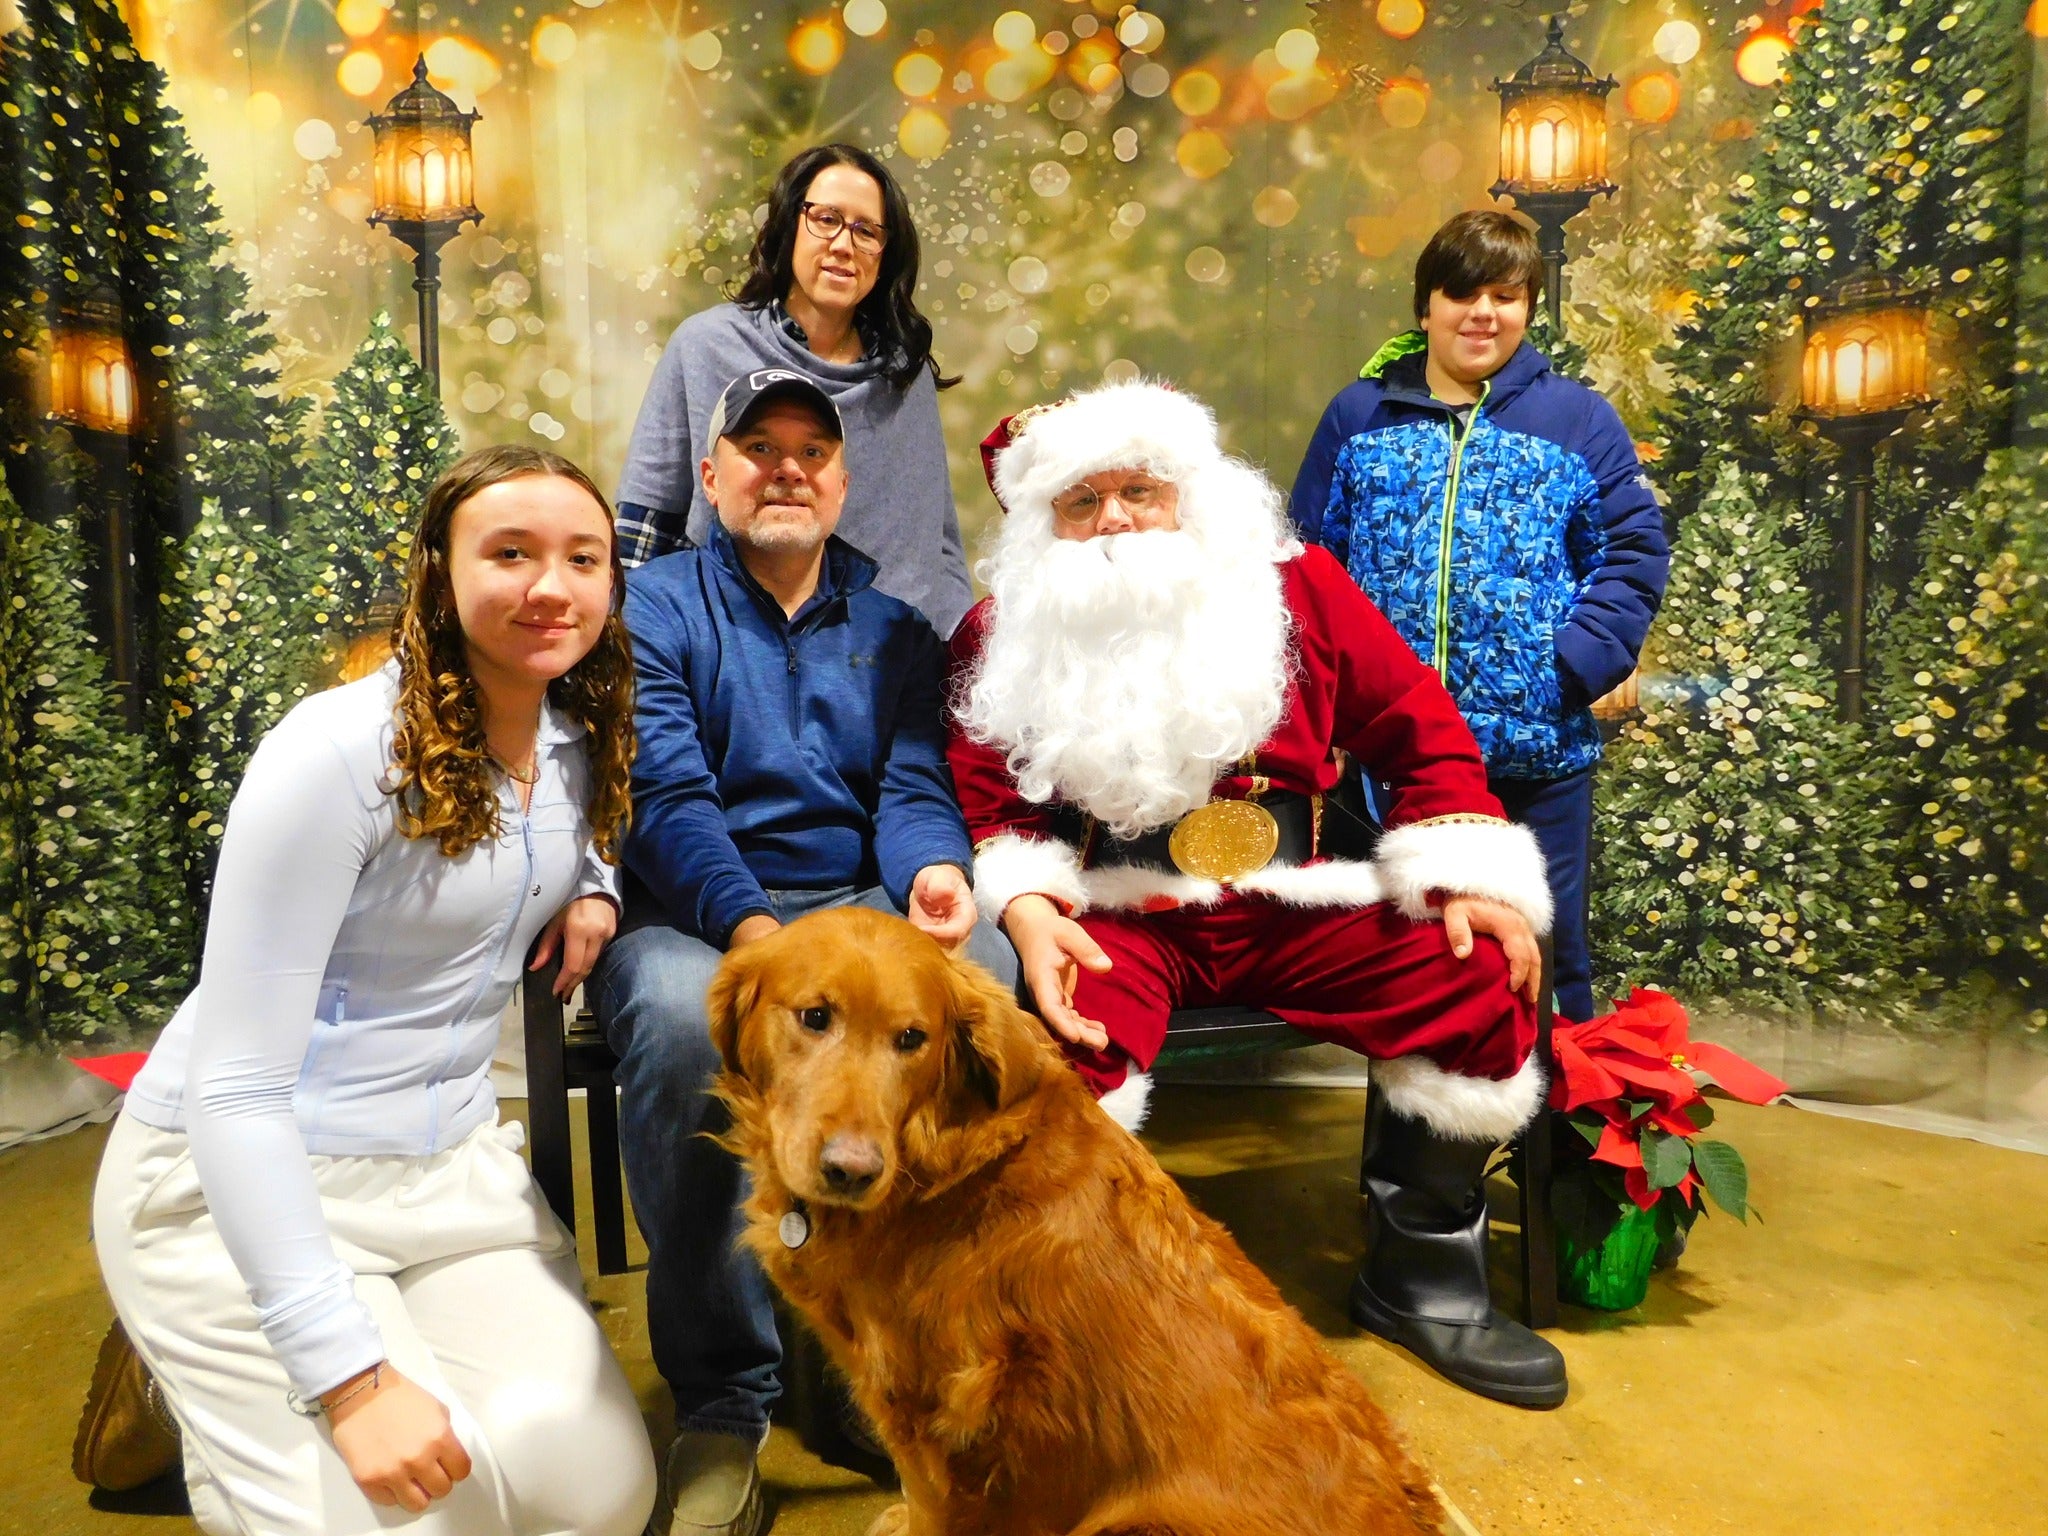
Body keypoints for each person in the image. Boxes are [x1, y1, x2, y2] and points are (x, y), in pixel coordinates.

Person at [946, 379, 1569, 1410]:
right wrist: (1027, 906)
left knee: (1474, 971)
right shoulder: (1002, 628)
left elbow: (1417, 726)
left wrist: (1463, 875)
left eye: (1138, 490)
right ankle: (1084, 1316)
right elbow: (988, 804)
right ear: (1042, 523)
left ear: (1188, 491)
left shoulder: (1296, 589)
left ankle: (1422, 1280)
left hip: (1295, 895)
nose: (1113, 521)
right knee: (1056, 1060)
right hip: (1123, 911)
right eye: (1080, 501)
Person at [92, 446, 657, 1535]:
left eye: (582, 558)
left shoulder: (571, 738)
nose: (552, 585)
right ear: (438, 575)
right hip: (245, 1172)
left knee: (596, 1500)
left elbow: (565, 836)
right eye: (510, 553)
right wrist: (350, 1382)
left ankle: (254, 1380)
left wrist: (594, 888)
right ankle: (199, 1378)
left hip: (444, 1167)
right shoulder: (335, 753)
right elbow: (237, 1086)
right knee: (418, 1518)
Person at [593, 369, 1019, 1536]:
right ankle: (725, 1399)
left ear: (840, 481)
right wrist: (764, 942)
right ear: (715, 472)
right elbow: (665, 798)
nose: (786, 468)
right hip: (701, 910)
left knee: (994, 976)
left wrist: (934, 868)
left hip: (860, 902)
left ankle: (879, 1358)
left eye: (811, 451)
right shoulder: (654, 610)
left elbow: (913, 785)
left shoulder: (895, 630)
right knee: (688, 1029)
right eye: (759, 447)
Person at [1288, 209, 1670, 1023]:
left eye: (1505, 294)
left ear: (1529, 307)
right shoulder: (1359, 417)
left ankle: (1558, 1145)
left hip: (1535, 755)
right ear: (1426, 306)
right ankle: (1422, 1145)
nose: (1483, 313)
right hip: (1394, 757)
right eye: (1463, 293)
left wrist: (1570, 667)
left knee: (1550, 956)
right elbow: (1305, 564)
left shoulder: (1578, 419)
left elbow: (1634, 549)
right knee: (1415, 957)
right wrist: (1331, 705)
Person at [616, 142, 972, 636]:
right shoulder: (707, 346)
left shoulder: (902, 373)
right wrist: (637, 652)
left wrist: (955, 658)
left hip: (888, 663)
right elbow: (647, 527)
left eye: (867, 231)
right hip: (731, 652)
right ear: (789, 226)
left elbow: (939, 542)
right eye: (825, 219)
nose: (844, 245)